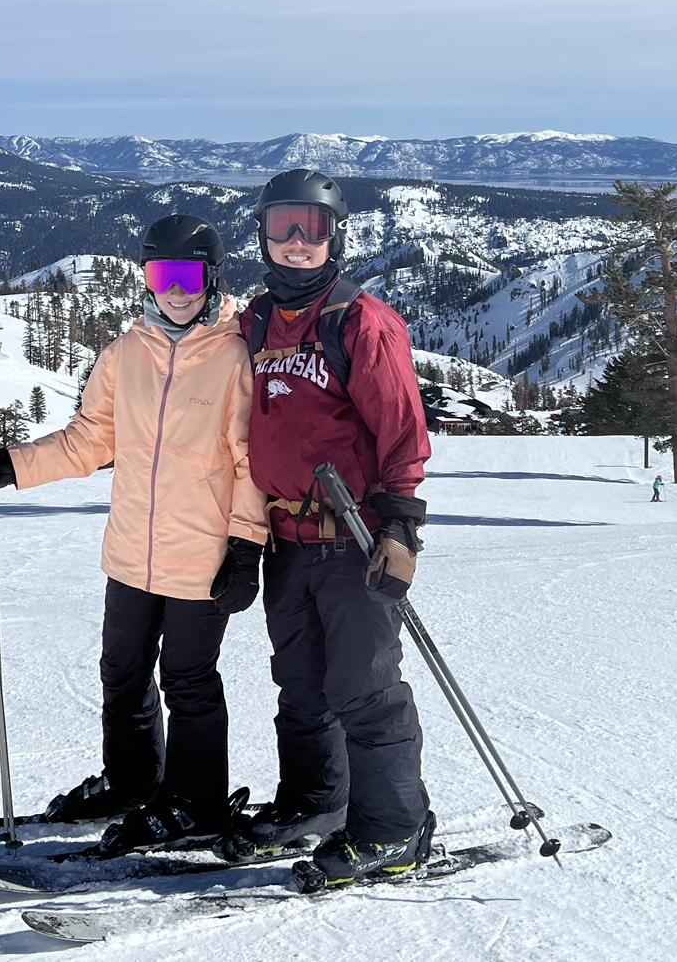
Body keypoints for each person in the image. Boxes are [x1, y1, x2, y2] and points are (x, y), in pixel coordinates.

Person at [0, 215, 269, 853]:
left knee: (188, 680)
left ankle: (196, 802)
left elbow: (249, 462)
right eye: (162, 275)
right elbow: (90, 439)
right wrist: (11, 465)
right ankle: (132, 782)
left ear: (212, 277)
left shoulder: (237, 357)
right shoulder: (126, 354)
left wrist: (245, 545)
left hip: (202, 556)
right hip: (131, 550)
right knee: (122, 672)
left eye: (188, 276)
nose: (176, 290)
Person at [224, 169, 433, 886]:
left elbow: (403, 430)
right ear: (262, 232)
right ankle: (318, 803)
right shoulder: (253, 322)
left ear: (333, 235)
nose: (295, 243)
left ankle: (394, 829)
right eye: (282, 226)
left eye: (310, 228)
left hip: (355, 537)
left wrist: (401, 527)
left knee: (365, 689)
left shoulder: (359, 321)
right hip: (285, 539)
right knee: (301, 687)